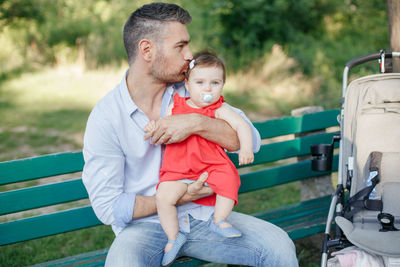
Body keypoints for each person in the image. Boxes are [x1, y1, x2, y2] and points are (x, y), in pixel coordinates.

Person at [82, 2, 299, 267]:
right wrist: (181, 196)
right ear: (147, 50)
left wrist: (197, 122)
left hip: (204, 216)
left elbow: (250, 141)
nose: (189, 55)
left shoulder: (190, 89)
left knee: (278, 246)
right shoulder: (107, 116)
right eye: (180, 46)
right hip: (144, 229)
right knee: (122, 263)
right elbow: (109, 208)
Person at [144, 52, 255, 265]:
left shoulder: (219, 108)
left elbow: (241, 125)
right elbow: (163, 126)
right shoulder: (176, 106)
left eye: (215, 83)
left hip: (210, 165)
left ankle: (219, 220)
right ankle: (173, 237)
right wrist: (153, 126)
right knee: (164, 196)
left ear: (222, 85)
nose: (208, 89)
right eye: (200, 82)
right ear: (187, 84)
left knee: (228, 180)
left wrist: (246, 148)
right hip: (179, 168)